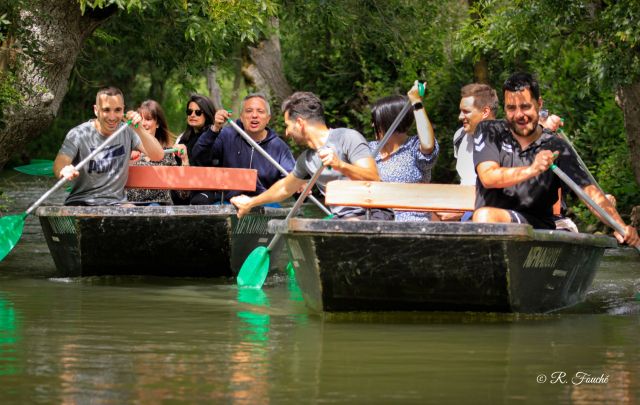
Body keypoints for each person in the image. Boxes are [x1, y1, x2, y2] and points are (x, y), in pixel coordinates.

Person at [472, 72, 639, 247]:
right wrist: (533, 169)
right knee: (484, 216)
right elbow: (488, 177)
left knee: (485, 216)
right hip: (492, 228)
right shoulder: (489, 130)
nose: (519, 115)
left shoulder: (556, 147)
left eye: (525, 106)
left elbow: (589, 193)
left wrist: (621, 226)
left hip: (535, 230)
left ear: (539, 104)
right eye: (511, 108)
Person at [230, 91, 387, 220]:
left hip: (372, 217)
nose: (286, 132)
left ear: (299, 123)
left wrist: (341, 165)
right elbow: (284, 188)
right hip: (342, 220)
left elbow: (373, 177)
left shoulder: (347, 137)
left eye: (288, 126)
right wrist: (251, 202)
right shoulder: (307, 159)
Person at [53, 86, 164, 206]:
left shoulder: (128, 130)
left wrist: (140, 129)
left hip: (117, 204)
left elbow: (158, 156)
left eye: (117, 110)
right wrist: (64, 169)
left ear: (123, 110)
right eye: (106, 110)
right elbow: (60, 162)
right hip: (82, 202)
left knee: (146, 217)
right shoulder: (79, 134)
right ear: (96, 110)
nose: (112, 117)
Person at [190, 93, 295, 204]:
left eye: (260, 111)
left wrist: (298, 184)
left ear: (268, 118)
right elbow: (198, 156)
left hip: (263, 202)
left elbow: (291, 178)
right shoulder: (227, 135)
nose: (254, 115)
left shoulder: (279, 147)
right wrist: (215, 128)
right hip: (229, 202)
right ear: (241, 116)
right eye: (249, 111)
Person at [368, 82, 439, 221]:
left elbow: (428, 144)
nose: (372, 124)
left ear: (388, 121)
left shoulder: (414, 147)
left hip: (411, 220)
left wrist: (416, 102)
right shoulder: (369, 149)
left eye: (375, 120)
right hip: (376, 220)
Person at [127, 100, 177, 205]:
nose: (143, 123)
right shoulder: (128, 148)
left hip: (158, 205)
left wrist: (185, 161)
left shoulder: (167, 152)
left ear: (157, 123)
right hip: (132, 206)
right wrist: (128, 161)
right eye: (141, 119)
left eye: (148, 119)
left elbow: (182, 194)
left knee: (153, 206)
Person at [171, 94, 217, 205]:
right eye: (189, 112)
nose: (192, 115)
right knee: (173, 193)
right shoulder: (183, 139)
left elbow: (202, 163)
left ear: (207, 114)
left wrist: (186, 160)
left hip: (208, 188)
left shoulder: (212, 137)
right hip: (186, 188)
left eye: (198, 112)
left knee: (198, 201)